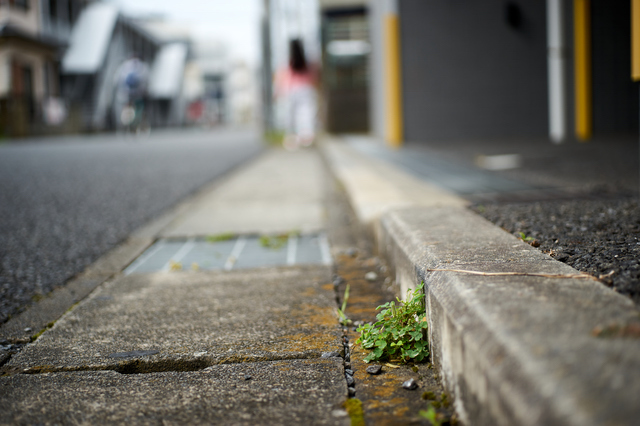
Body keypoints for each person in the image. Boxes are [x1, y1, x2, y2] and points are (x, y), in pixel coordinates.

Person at [274, 38, 318, 150]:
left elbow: (281, 77)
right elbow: (314, 76)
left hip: (290, 90)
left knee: (290, 116)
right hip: (306, 89)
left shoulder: (287, 61)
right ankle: (306, 138)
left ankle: (291, 140)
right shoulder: (308, 61)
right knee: (306, 114)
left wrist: (277, 92)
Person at [113, 55, 150, 133]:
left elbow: (116, 80)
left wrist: (119, 90)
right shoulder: (142, 66)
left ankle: (126, 122)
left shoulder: (123, 66)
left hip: (125, 92)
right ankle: (137, 123)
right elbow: (146, 80)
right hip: (139, 93)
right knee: (139, 108)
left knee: (127, 106)